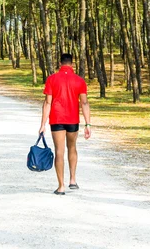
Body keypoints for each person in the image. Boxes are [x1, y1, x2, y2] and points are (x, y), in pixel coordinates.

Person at [39, 53, 91, 195]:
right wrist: (88, 124)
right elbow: (84, 103)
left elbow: (47, 103)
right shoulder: (80, 81)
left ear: (60, 63)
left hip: (56, 119)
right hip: (73, 119)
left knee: (59, 151)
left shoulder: (52, 79)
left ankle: (61, 186)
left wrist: (42, 124)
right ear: (72, 64)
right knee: (72, 147)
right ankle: (72, 180)